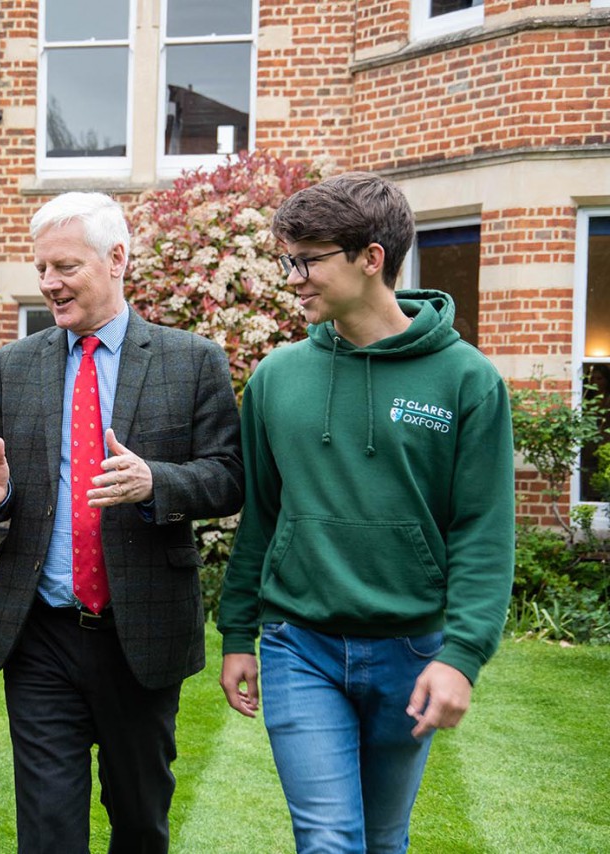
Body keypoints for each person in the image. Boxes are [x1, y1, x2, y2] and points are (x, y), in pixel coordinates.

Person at [217, 172, 515, 853]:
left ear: (371, 257)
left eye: (308, 261)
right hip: (299, 643)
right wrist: (238, 631)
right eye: (289, 261)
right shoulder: (277, 379)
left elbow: (482, 531)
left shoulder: (467, 381)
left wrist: (463, 656)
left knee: (383, 840)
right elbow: (263, 515)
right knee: (329, 840)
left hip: (412, 648)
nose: (293, 279)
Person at [0, 192, 243, 853]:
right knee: (48, 831)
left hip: (139, 630)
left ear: (116, 259)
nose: (49, 283)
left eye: (65, 267)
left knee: (139, 821)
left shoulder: (190, 360)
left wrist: (155, 482)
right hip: (42, 632)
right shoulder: (15, 365)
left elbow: (229, 477)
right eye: (42, 269)